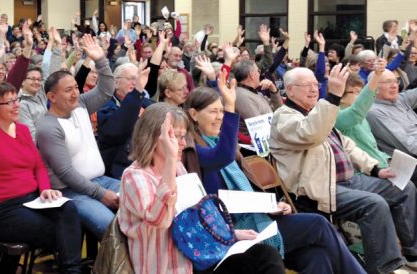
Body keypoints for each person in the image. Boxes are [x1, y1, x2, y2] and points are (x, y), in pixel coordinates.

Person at [182, 76, 365, 273]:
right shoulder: (195, 150)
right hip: (235, 230)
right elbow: (223, 155)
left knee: (316, 255)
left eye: (221, 111)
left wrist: (274, 204)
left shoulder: (223, 145)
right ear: (193, 114)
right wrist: (230, 105)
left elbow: (248, 188)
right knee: (318, 224)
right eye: (213, 112)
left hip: (259, 218)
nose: (220, 117)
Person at [270, 65, 417, 273]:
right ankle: (384, 268)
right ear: (290, 90)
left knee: (404, 188)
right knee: (374, 204)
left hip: (348, 180)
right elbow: (312, 134)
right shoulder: (284, 117)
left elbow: (347, 144)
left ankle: (413, 254)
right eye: (306, 86)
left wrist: (375, 169)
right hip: (320, 188)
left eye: (315, 84)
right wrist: (331, 97)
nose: (313, 89)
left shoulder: (316, 111)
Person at [119, 102, 285, 274]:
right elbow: (159, 221)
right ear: (153, 138)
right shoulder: (135, 177)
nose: (183, 143)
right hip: (173, 265)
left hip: (201, 255)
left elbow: (201, 217)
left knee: (264, 254)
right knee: (261, 261)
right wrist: (170, 161)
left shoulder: (178, 168)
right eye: (176, 136)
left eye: (184, 136)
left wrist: (231, 234)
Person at [0, 35, 82, 274]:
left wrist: (44, 188)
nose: (16, 105)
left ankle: (71, 270)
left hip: (32, 200)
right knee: (58, 229)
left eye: (16, 100)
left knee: (70, 210)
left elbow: (39, 166)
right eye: (9, 103)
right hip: (1, 211)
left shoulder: (21, 130)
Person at [36, 34, 119, 239]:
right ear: (52, 97)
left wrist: (100, 60)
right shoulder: (48, 127)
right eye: (68, 90)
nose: (75, 93)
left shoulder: (80, 104)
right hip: (72, 191)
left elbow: (107, 90)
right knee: (111, 228)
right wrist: (101, 194)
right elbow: (66, 173)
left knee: (144, 202)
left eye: (75, 87)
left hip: (100, 181)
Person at [97, 62, 152, 179]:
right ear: (115, 83)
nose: (136, 82)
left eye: (138, 79)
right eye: (131, 78)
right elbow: (116, 130)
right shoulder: (105, 104)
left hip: (148, 163)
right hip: (120, 169)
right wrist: (137, 91)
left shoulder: (145, 102)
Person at [231, 60, 282, 144]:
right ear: (251, 74)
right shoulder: (241, 95)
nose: (259, 74)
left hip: (270, 139)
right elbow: (260, 127)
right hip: (257, 147)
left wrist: (273, 89)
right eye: (258, 71)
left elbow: (279, 110)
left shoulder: (255, 93)